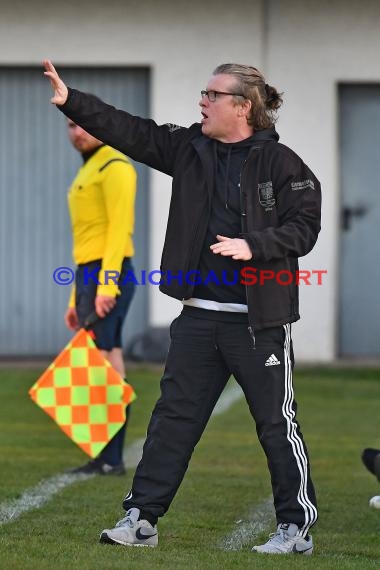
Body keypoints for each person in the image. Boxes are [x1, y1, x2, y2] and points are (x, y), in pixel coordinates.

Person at [44, 60, 321, 555]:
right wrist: (74, 101)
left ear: (243, 106)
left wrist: (254, 245)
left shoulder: (284, 165)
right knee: (172, 420)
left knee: (276, 424)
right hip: (197, 317)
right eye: (203, 93)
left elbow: (306, 227)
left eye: (212, 95)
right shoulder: (189, 148)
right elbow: (131, 132)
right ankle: (142, 518)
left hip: (258, 324)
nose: (202, 102)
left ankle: (294, 528)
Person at [64, 115, 137, 475]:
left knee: (103, 367)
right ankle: (109, 457)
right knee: (108, 365)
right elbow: (86, 241)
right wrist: (74, 299)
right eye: (70, 126)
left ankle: (110, 458)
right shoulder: (89, 169)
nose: (76, 132)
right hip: (89, 275)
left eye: (82, 125)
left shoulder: (115, 166)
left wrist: (107, 286)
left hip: (108, 274)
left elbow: (118, 231)